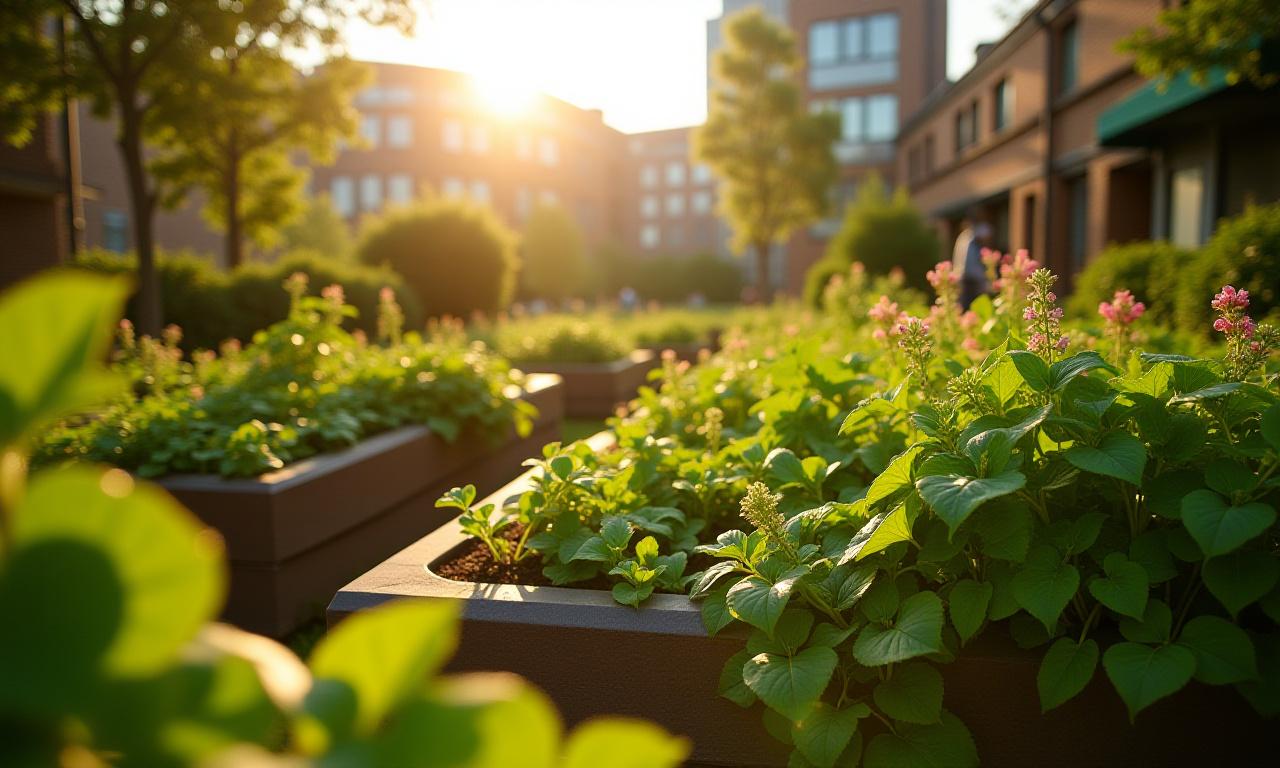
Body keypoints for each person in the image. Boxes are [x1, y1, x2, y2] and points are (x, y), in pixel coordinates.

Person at [952, 215, 992, 308]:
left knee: (967, 304)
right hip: (970, 278)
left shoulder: (964, 237)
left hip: (966, 276)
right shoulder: (971, 239)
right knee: (972, 303)